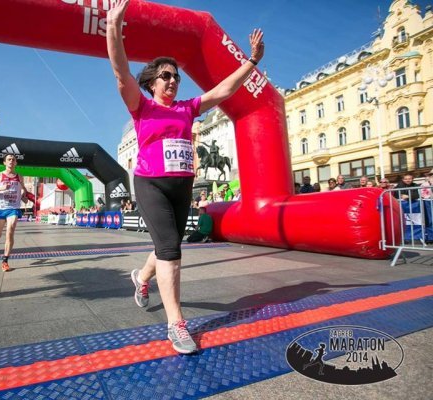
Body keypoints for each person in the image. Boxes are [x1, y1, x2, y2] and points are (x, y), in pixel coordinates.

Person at [107, 0, 264, 354]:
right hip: (151, 184)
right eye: (166, 75)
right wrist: (113, 27)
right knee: (171, 251)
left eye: (176, 76)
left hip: (183, 186)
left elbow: (223, 91)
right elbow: (120, 72)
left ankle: (141, 277)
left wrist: (252, 61)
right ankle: (176, 324)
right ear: (152, 82)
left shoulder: (187, 108)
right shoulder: (141, 106)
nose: (173, 80)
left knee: (169, 246)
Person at [0, 154, 31, 272]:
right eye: (9, 159)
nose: (11, 161)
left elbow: (23, 190)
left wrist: (24, 197)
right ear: (4, 163)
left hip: (13, 208)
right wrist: (0, 189)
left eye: (13, 160)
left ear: (16, 163)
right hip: (0, 209)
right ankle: (0, 240)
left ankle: (5, 261)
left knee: (10, 230)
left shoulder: (19, 176)